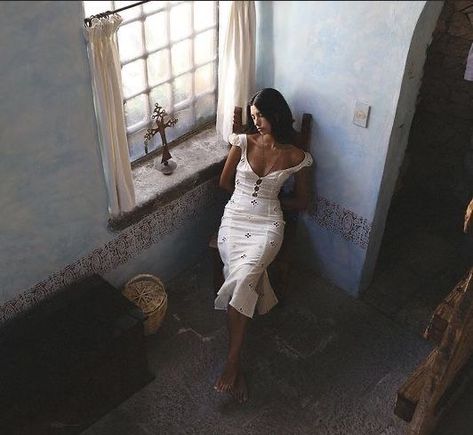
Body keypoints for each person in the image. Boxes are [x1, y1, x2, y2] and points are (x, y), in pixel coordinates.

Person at [213, 88, 314, 402]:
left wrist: (272, 203)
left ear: (277, 114)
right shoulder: (243, 142)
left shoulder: (298, 157)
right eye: (253, 116)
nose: (255, 122)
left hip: (269, 224)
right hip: (235, 218)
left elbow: (302, 201)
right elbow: (224, 182)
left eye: (261, 116)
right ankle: (234, 364)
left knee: (243, 276)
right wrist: (244, 203)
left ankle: (232, 363)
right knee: (243, 276)